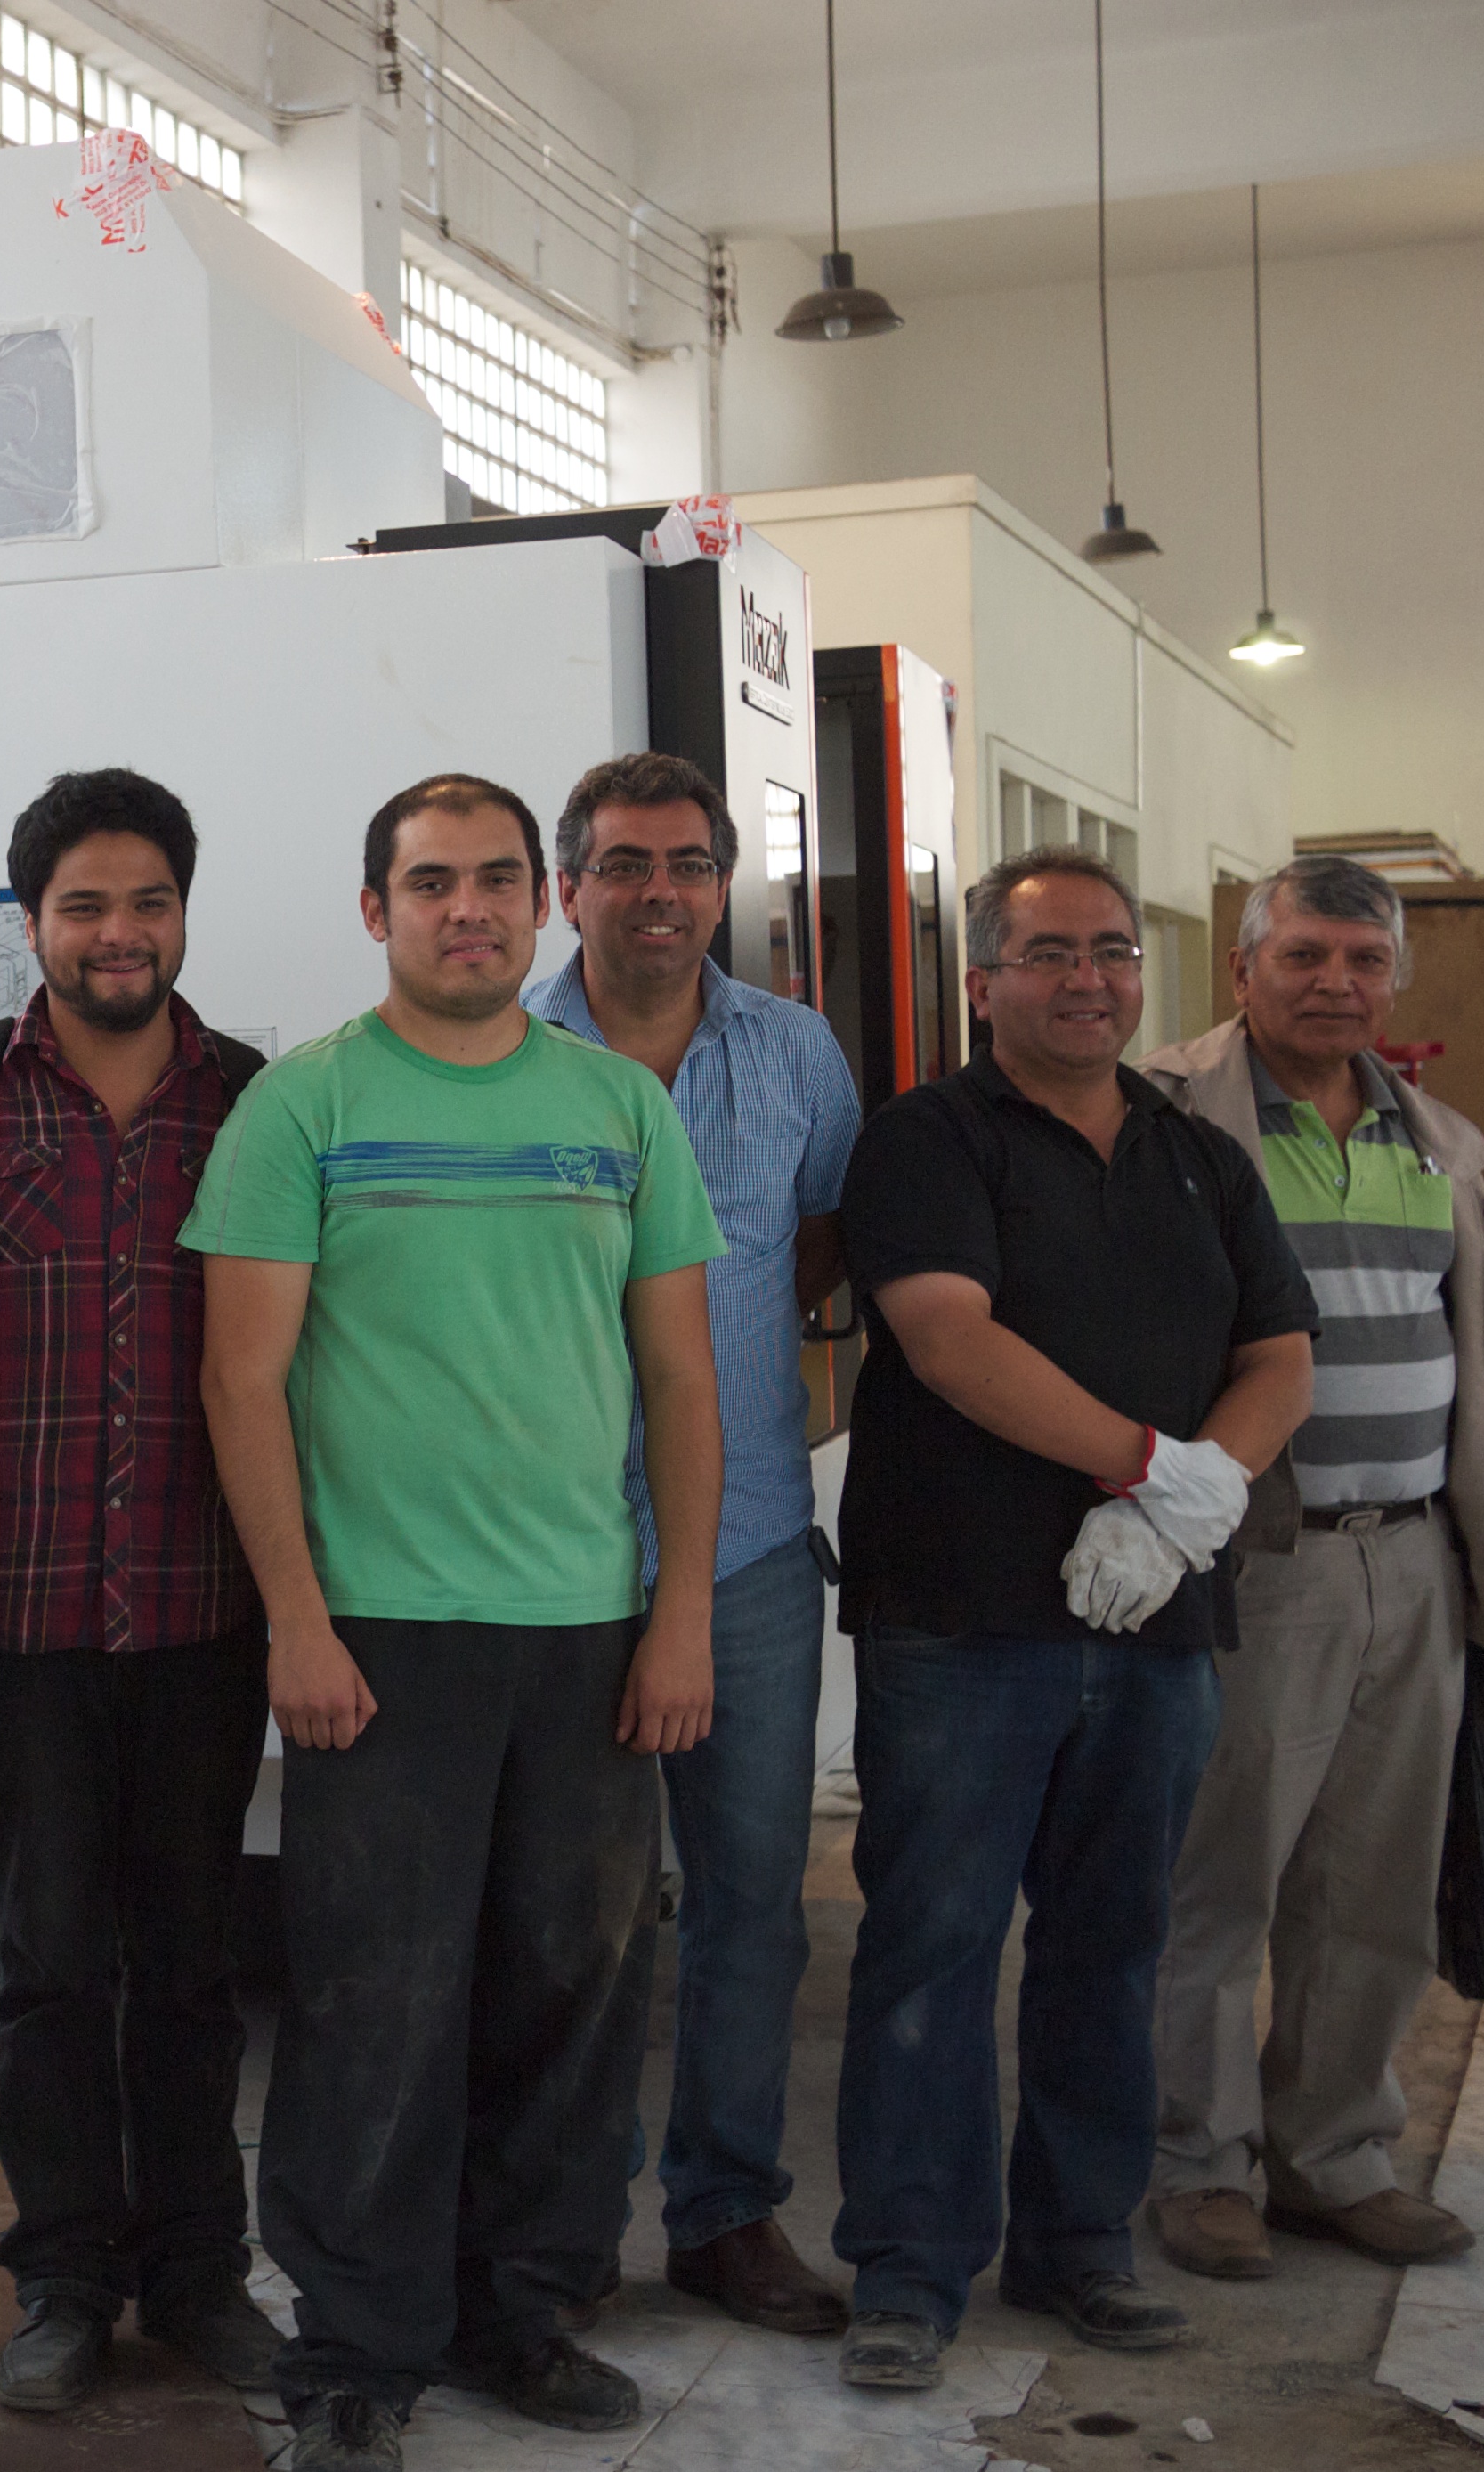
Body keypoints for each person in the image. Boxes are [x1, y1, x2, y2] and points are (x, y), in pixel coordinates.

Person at [187, 773, 726, 2471]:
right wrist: (296, 1621)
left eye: (499, 879)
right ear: (378, 912)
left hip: (589, 1627)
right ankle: (356, 2343)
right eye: (433, 882)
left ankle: (527, 2310)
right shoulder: (303, 1109)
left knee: (573, 1986)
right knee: (376, 1999)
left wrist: (681, 1613)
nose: (470, 908)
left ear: (543, 903)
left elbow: (685, 1381)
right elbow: (242, 1380)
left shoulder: (620, 1109)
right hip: (382, 1635)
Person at [829, 845, 1317, 2395]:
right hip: (963, 1625)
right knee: (931, 1948)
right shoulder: (924, 1140)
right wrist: (1143, 1466)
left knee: (1111, 1947)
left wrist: (1188, 1502)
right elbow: (946, 1340)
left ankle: (1079, 2249)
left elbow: (1280, 1351)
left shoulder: (1196, 1153)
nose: (1090, 978)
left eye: (1112, 952)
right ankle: (908, 2272)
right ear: (983, 984)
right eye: (1050, 955)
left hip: (1155, 1630)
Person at [0, 770, 283, 2411]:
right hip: (19, 1623)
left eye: (149, 904)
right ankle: (60, 2280)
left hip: (203, 1612)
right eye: (86, 907)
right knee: (45, 1966)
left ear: (185, 911)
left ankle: (198, 2274)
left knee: (190, 1966)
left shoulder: (260, 1099)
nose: (122, 936)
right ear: (30, 922)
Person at [1140, 856, 1484, 2280]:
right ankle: (1199, 2166)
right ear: (1241, 969)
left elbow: (1479, 1343)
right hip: (1260, 1561)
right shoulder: (1169, 1117)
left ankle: (1335, 2154)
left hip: (1418, 1559)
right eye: (1304, 955)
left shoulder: (1438, 1143)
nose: (1334, 984)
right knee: (1220, 1878)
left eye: (1363, 962)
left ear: (1396, 981)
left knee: (1376, 1879)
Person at [527, 752, 864, 2337]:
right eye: (620, 863)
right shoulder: (495, 1053)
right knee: (564, 1915)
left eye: (684, 863)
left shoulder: (796, 1056)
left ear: (723, 883)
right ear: (568, 886)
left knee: (750, 1905)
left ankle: (726, 2216)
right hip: (546, 1563)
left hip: (742, 1560)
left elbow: (823, 1251)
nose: (654, 890)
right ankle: (560, 2227)